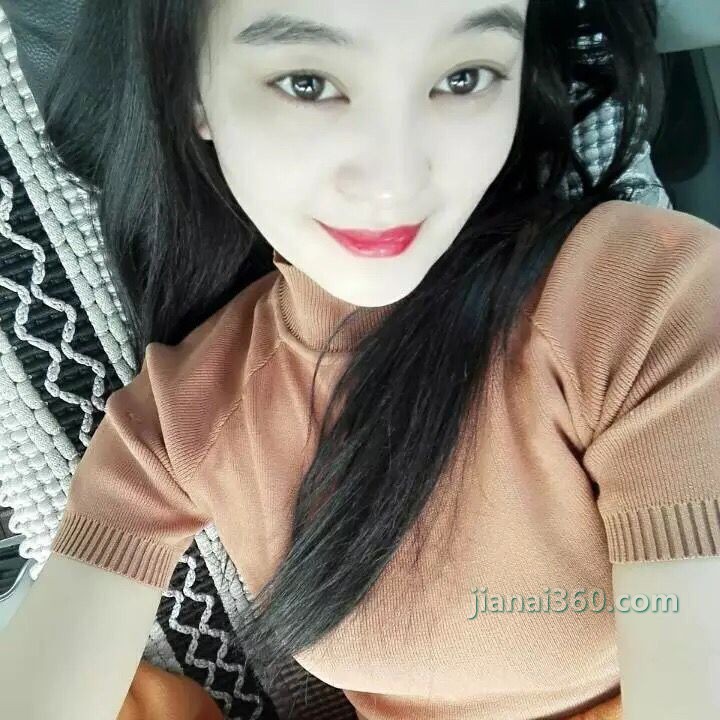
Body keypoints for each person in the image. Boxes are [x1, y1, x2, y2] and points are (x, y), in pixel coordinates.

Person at [1, 0, 719, 718]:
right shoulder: (191, 410)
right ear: (191, 90)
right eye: (309, 83)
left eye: (465, 77)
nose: (393, 182)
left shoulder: (645, 299)